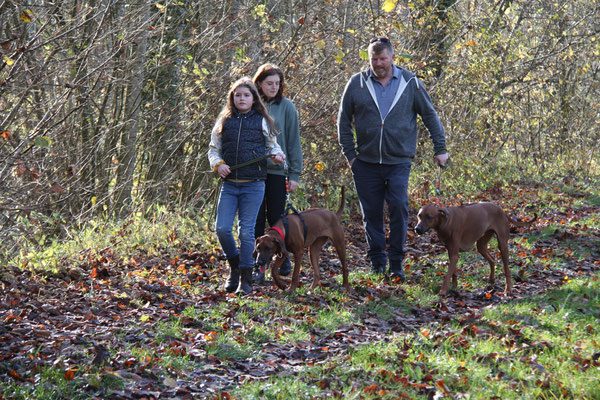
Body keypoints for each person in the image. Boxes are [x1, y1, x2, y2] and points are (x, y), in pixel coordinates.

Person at [337, 37, 449, 280]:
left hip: (399, 160)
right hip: (365, 163)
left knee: (399, 207)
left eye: (382, 59)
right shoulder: (357, 83)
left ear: (392, 58)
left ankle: (396, 262)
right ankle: (377, 261)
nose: (378, 64)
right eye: (374, 59)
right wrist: (351, 156)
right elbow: (343, 122)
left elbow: (429, 116)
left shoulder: (411, 83)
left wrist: (440, 147)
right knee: (371, 213)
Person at [208, 77, 286, 295]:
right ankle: (234, 265)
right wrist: (219, 164)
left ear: (254, 99)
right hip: (230, 185)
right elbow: (213, 150)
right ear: (232, 98)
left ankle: (245, 279)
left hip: (254, 184)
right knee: (222, 229)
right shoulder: (224, 120)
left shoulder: (262, 121)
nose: (242, 99)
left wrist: (278, 156)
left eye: (246, 95)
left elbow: (273, 146)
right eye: (238, 95)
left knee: (246, 232)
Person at [252, 63, 303, 283]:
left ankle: (283, 260)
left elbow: (293, 142)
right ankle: (254, 265)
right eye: (269, 83)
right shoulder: (249, 104)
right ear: (259, 84)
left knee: (277, 218)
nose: (274, 87)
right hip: (252, 171)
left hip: (277, 171)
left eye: (277, 83)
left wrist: (294, 174)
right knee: (254, 219)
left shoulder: (287, 107)